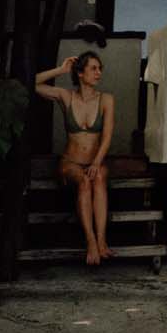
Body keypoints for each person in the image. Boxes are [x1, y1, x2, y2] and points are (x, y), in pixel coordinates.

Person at [35, 50, 114, 263]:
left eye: (100, 69)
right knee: (84, 181)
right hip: (71, 163)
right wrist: (60, 70)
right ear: (80, 73)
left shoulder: (106, 100)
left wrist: (96, 162)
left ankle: (101, 240)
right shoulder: (66, 96)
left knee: (97, 177)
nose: (98, 73)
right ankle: (90, 241)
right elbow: (32, 83)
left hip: (95, 161)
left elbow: (106, 137)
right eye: (93, 68)